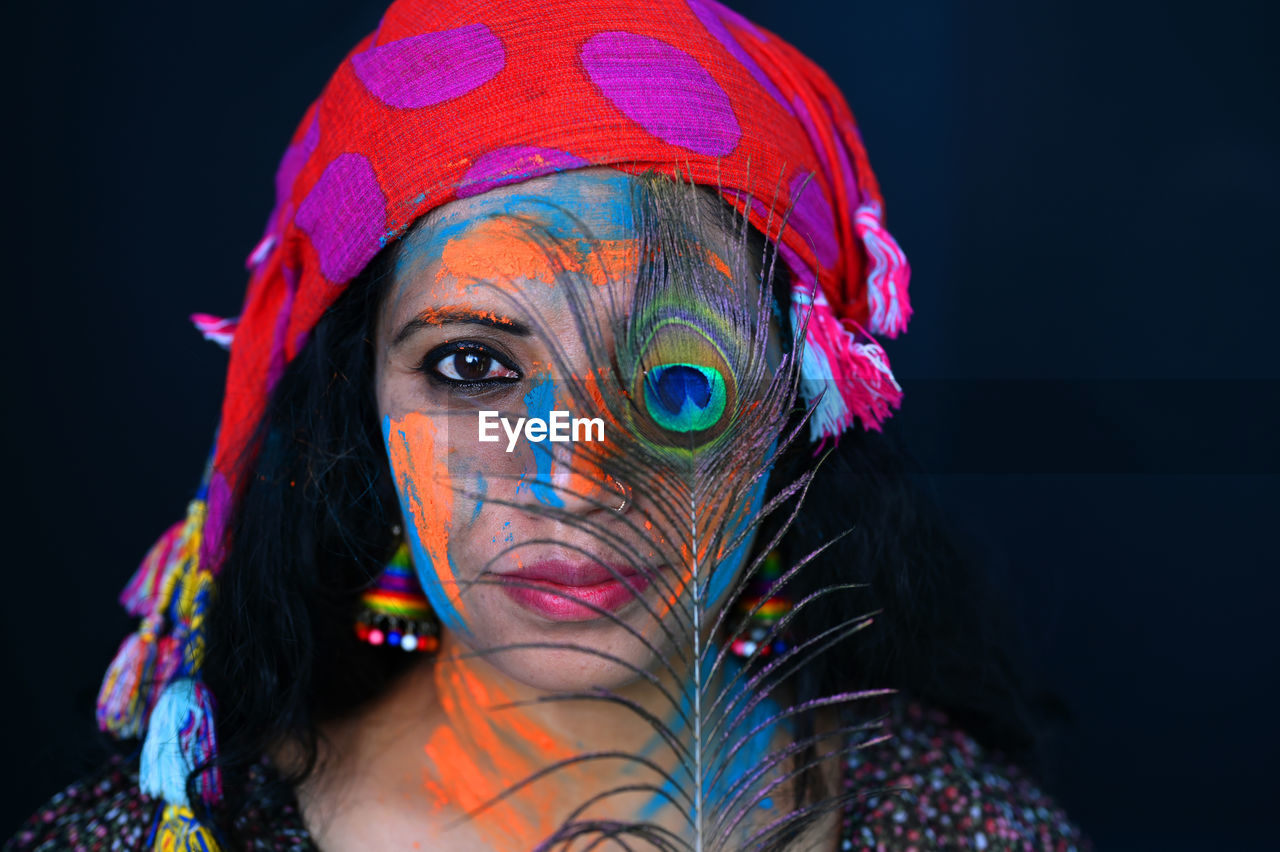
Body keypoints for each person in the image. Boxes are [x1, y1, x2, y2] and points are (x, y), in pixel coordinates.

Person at [7, 1, 1090, 850]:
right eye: (471, 365)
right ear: (363, 409)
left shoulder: (962, 828)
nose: (571, 481)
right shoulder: (166, 836)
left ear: (798, 409)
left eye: (676, 379)